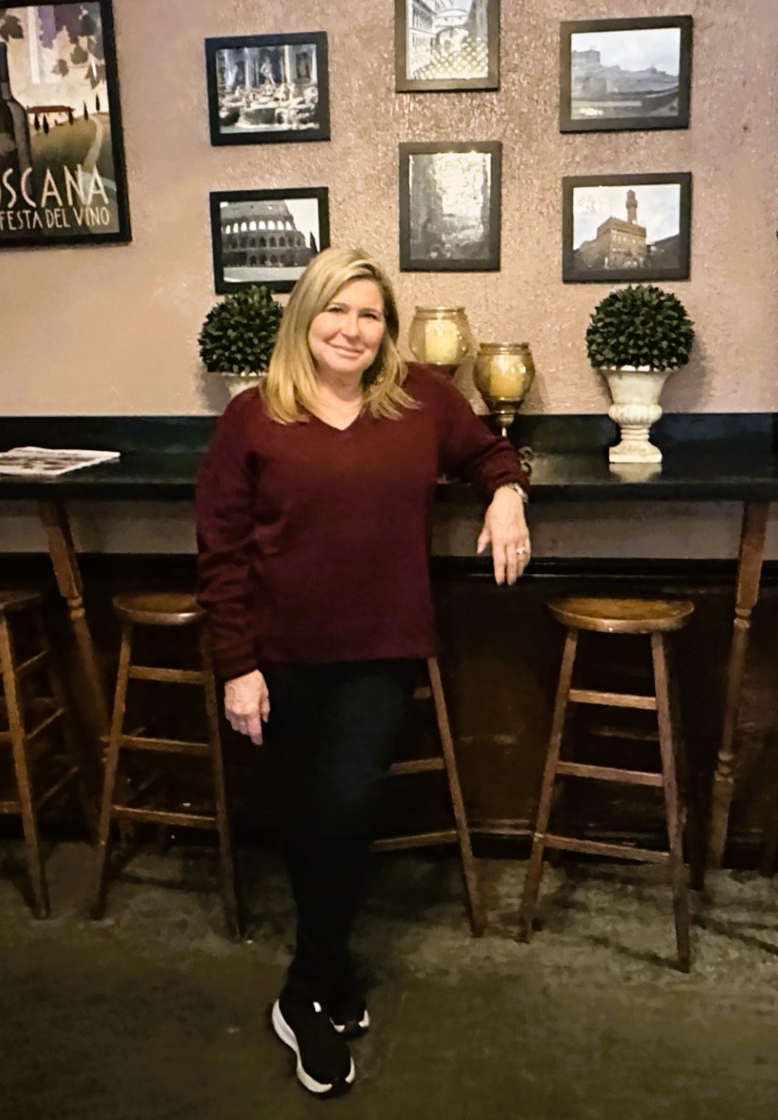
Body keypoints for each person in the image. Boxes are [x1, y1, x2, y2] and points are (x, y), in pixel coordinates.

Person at [195, 248, 530, 1098]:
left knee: (344, 809)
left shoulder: (419, 398)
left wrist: (507, 493)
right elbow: (221, 553)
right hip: (281, 654)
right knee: (316, 815)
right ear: (305, 317)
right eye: (336, 310)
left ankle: (307, 985)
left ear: (388, 330)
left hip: (382, 645)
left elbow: (493, 452)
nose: (352, 329)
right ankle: (324, 981)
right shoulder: (250, 418)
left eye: (371, 315)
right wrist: (237, 666)